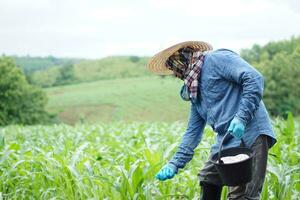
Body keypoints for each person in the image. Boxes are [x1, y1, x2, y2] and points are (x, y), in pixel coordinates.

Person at [147, 41, 276, 200]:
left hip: (250, 133)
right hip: (226, 141)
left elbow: (254, 78)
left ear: (185, 56)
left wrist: (241, 117)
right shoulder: (194, 90)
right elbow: (192, 132)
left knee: (242, 195)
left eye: (175, 64)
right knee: (209, 178)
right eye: (172, 68)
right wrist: (175, 163)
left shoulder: (217, 59)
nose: (175, 71)